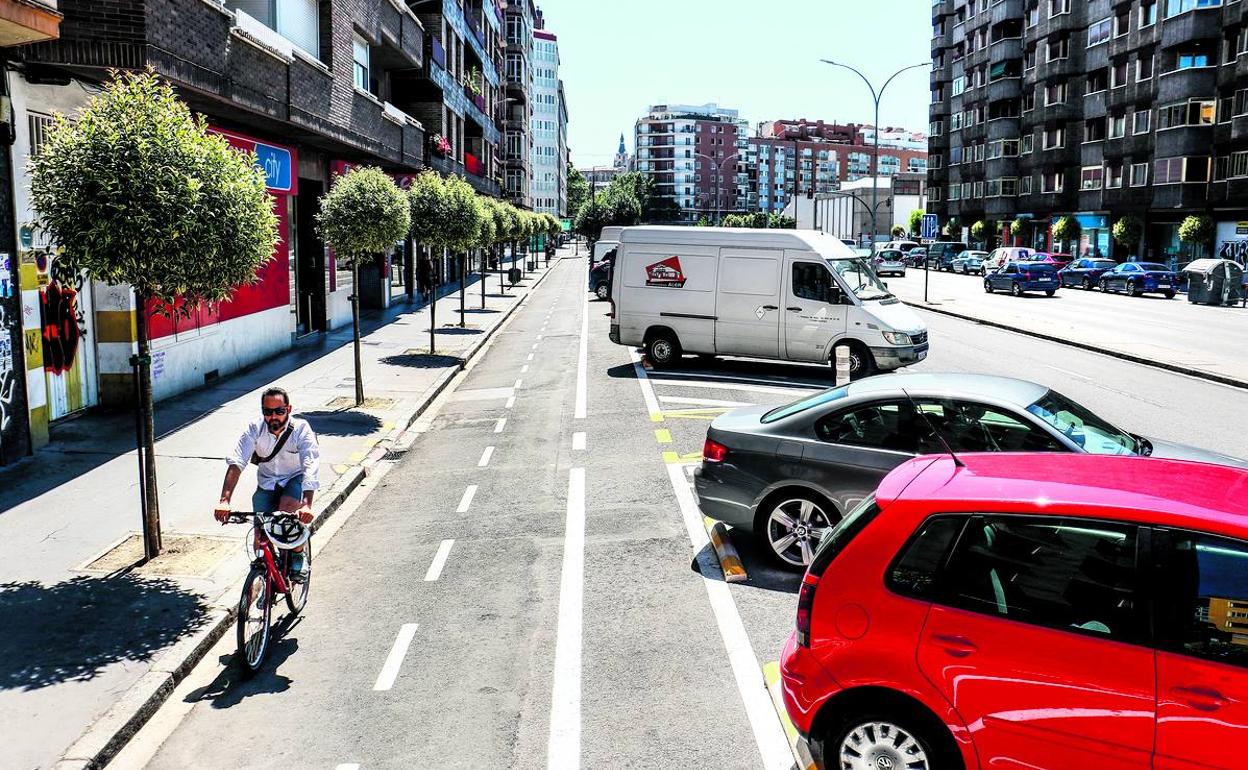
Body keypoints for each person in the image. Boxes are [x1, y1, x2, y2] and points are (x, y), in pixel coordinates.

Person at [214, 387, 320, 579]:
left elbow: (310, 465)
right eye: (268, 412)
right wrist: (224, 500)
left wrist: (306, 505)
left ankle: (298, 556)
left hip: (295, 477)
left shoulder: (301, 429)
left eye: (279, 411)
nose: (274, 417)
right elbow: (237, 462)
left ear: (289, 409)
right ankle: (267, 581)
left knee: (287, 511)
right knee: (260, 538)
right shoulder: (255, 429)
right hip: (267, 482)